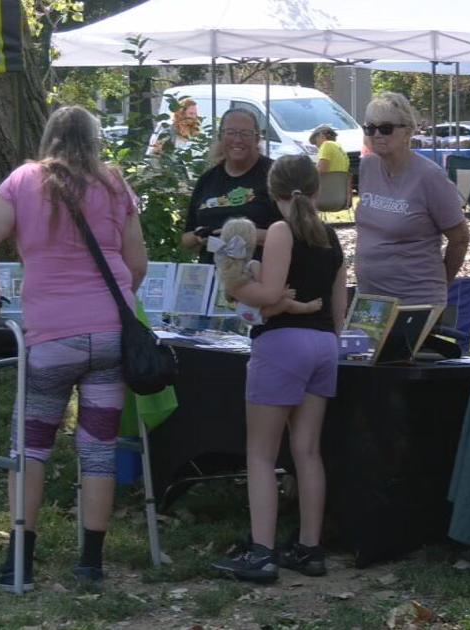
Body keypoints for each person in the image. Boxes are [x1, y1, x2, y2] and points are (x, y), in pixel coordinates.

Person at [0, 105, 149, 592]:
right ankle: (90, 562)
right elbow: (136, 262)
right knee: (98, 449)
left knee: (30, 446)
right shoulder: (114, 184)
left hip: (50, 336)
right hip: (110, 333)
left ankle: (19, 563)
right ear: (95, 139)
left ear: (49, 137)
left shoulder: (24, 181)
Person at [212, 155, 347, 582]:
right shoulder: (333, 237)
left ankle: (262, 551)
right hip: (325, 345)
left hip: (282, 344)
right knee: (307, 450)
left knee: (261, 454)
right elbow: (339, 311)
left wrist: (235, 285)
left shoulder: (282, 232)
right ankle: (310, 547)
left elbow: (267, 293)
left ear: (273, 194)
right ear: (315, 190)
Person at [355, 92, 470, 305]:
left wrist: (441, 286)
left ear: (407, 131)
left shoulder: (430, 176)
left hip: (415, 300)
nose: (377, 134)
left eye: (386, 128)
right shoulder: (367, 166)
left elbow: (460, 238)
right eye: (370, 128)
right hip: (370, 299)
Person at [180, 109, 279, 263]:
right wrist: (200, 236)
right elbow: (186, 238)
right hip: (212, 275)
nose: (237, 140)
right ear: (220, 137)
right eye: (231, 132)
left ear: (256, 138)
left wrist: (241, 234)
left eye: (245, 133)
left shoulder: (275, 175)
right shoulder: (207, 179)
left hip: (259, 275)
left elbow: (293, 234)